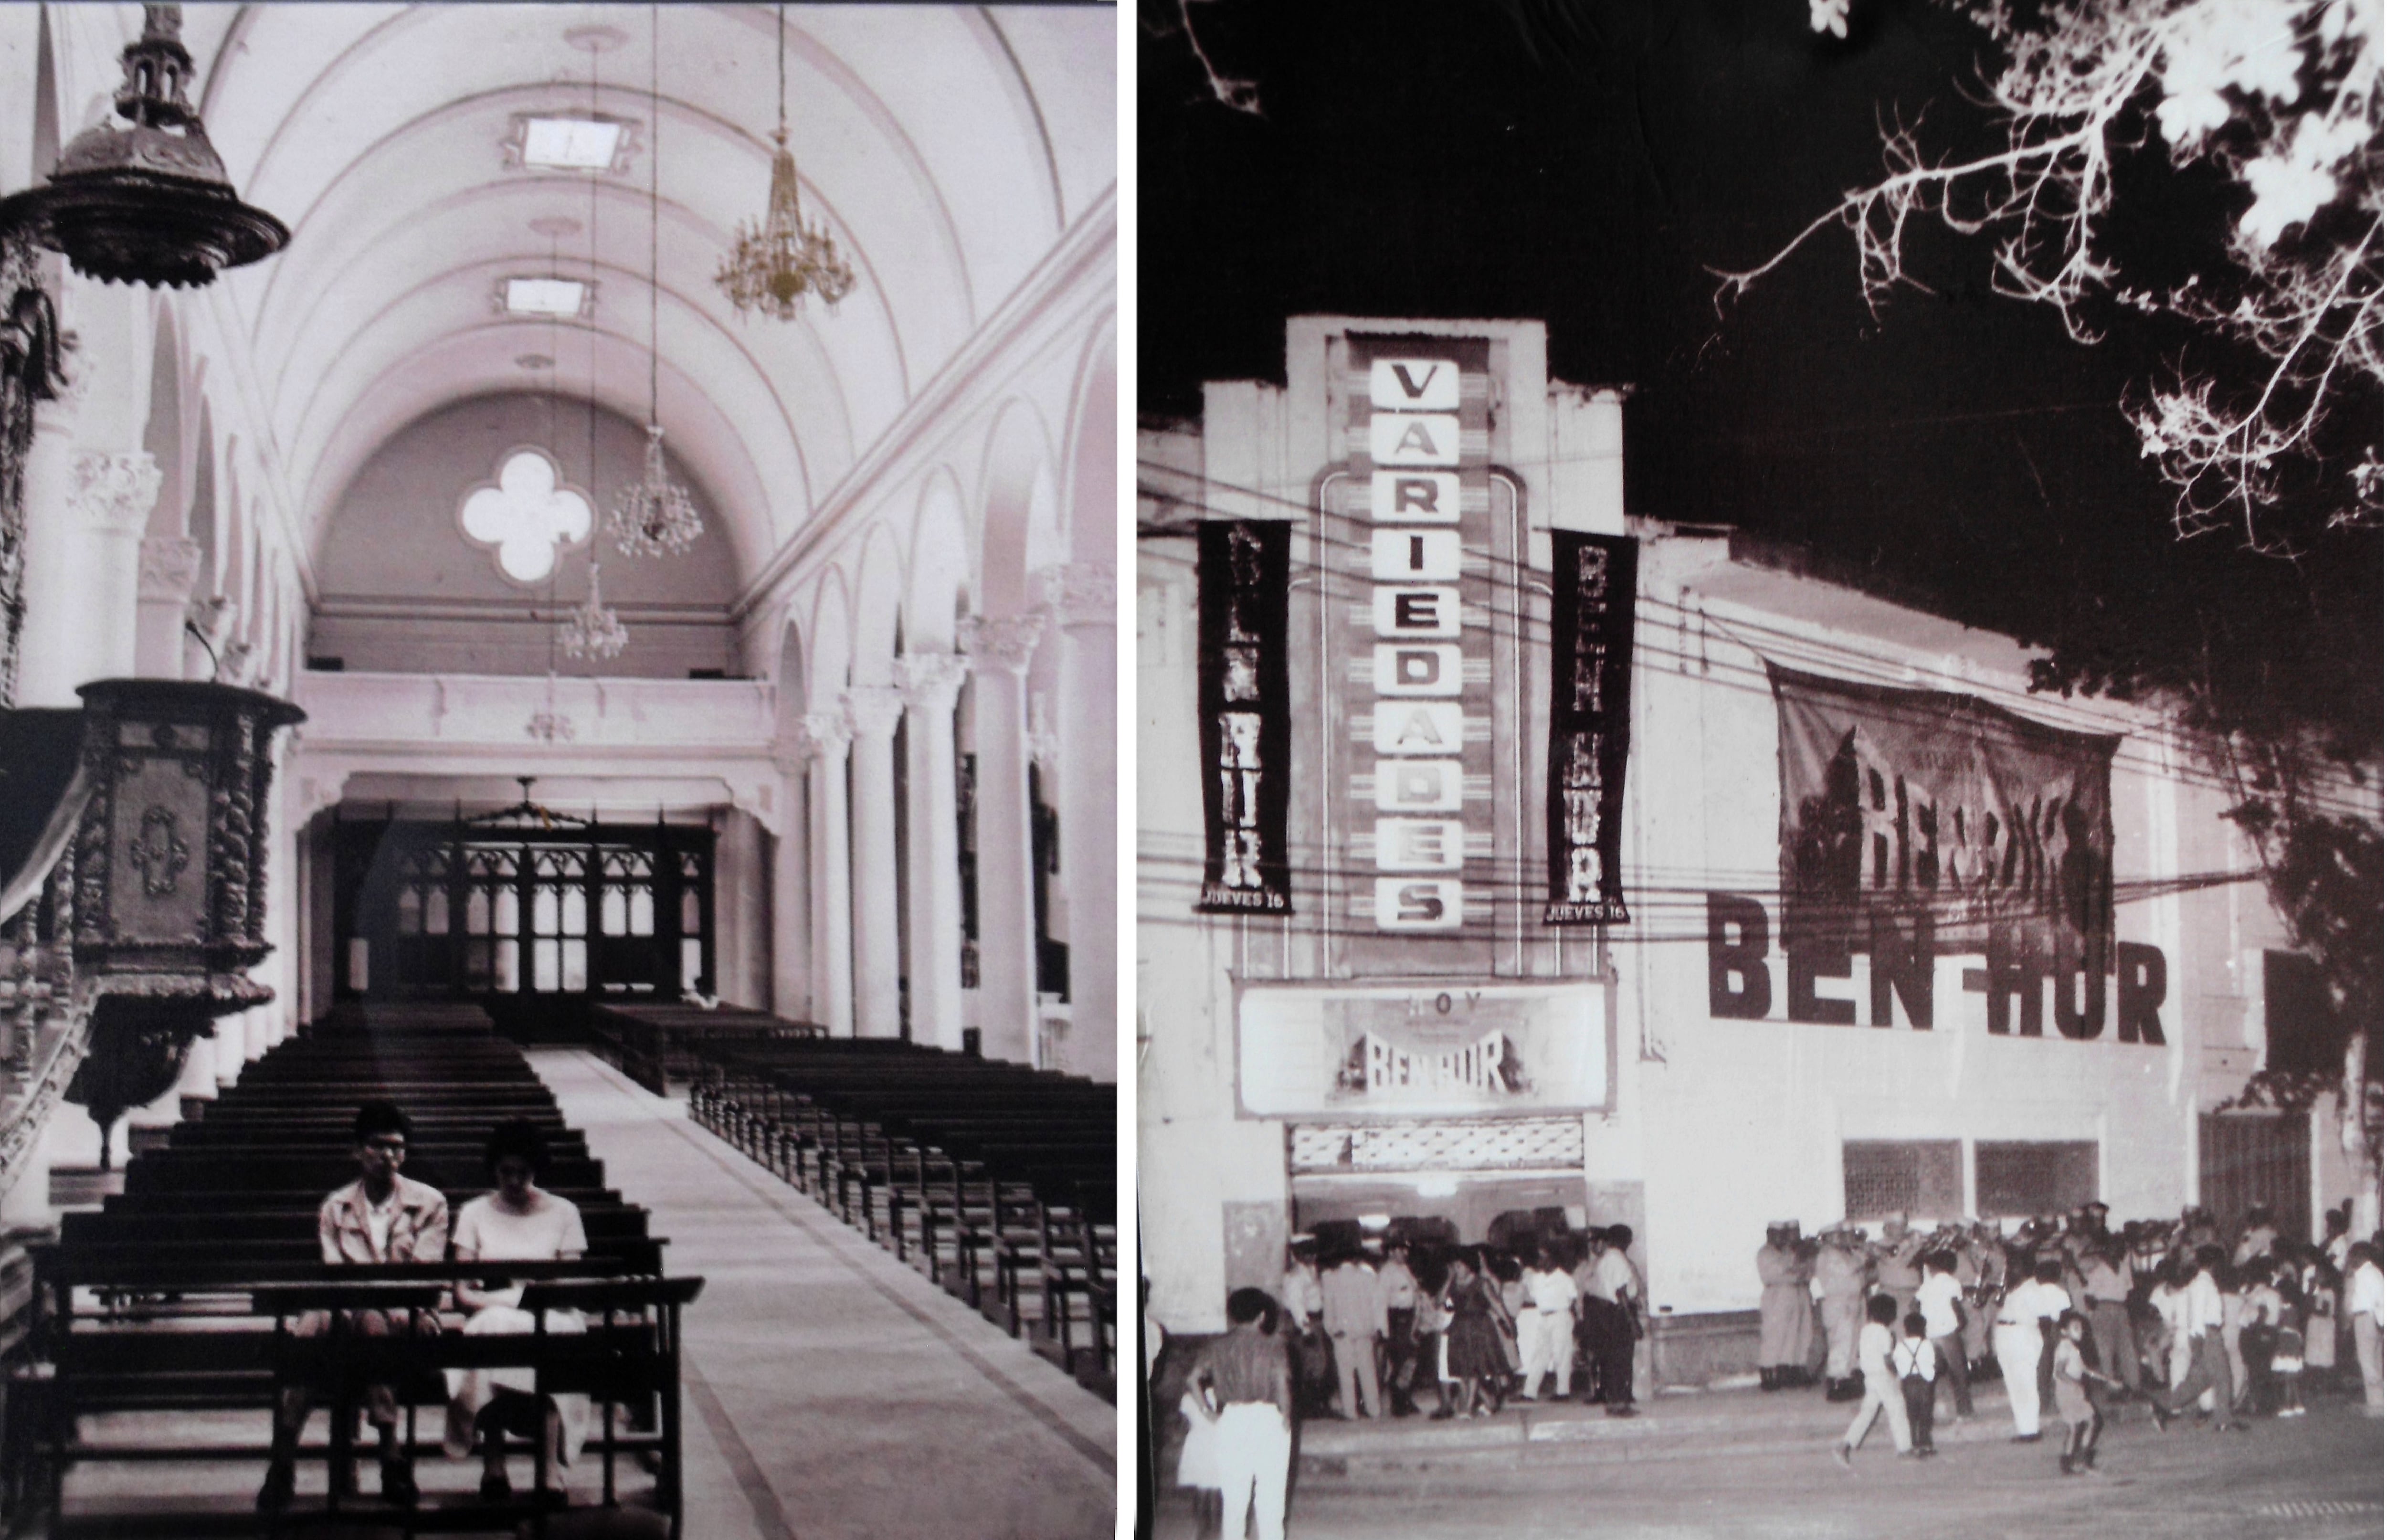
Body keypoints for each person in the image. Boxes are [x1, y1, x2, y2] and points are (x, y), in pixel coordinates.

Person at [260, 1101, 451, 1513]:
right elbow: (335, 1272)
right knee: (310, 1327)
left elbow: (423, 1275)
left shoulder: (430, 1203)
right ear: (358, 1151)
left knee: (369, 1324)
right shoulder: (336, 1207)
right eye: (378, 1146)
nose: (388, 1156)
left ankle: (388, 1453)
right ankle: (285, 1459)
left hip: (410, 1316)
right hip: (345, 1308)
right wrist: (357, 1298)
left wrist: (368, 1297)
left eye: (397, 1148)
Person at [443, 1119, 591, 1504]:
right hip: (493, 1311)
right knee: (490, 1330)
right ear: (494, 1169)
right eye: (506, 1171)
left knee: (553, 1336)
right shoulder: (474, 1213)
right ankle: (494, 1464)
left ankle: (549, 1470)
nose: (513, 1180)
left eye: (523, 1172)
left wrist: (518, 1297)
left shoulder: (564, 1212)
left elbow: (567, 1287)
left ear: (536, 1169)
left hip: (552, 1312)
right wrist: (512, 1298)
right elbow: (462, 1292)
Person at [1186, 1288, 1293, 1540]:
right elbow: (1282, 1386)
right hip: (1268, 1419)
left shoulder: (1217, 1346)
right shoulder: (1274, 1345)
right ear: (1262, 1316)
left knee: (1234, 1501)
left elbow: (1192, 1379)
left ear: (1232, 1316)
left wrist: (1208, 1413)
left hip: (1232, 1420)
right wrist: (1286, 1417)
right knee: (1271, 1500)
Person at [2148, 1246, 2249, 1433]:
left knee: (2200, 1380)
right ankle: (2223, 1420)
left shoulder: (2202, 1283)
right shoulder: (2203, 1284)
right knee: (2223, 1378)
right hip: (2208, 1334)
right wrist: (2198, 1341)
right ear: (2213, 1264)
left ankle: (2163, 1408)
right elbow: (2197, 1314)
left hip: (2206, 1334)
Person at [1830, 1295, 1912, 1467]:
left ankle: (1845, 1446)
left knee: (1867, 1413)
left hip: (1870, 1378)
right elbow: (1888, 1360)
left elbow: (1861, 1354)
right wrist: (1899, 1373)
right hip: (1884, 1377)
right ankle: (1905, 1449)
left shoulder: (1865, 1331)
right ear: (1890, 1316)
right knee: (1897, 1409)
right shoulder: (1885, 1333)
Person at [1993, 1256, 2066, 1442]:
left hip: (2022, 1335)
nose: (2009, 1271)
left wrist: (2042, 1342)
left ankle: (2031, 1430)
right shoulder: (2014, 1289)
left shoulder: (2033, 1290)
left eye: (2013, 1267)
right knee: (2013, 1383)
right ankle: (2024, 1429)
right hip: (2007, 1334)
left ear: (2025, 1270)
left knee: (2025, 1383)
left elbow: (2044, 1319)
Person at [1437, 1250, 1508, 1419]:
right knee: (1461, 1370)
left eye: (1460, 1266)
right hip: (1460, 1327)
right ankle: (1488, 1402)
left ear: (1469, 1266)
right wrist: (1448, 1279)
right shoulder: (1453, 1283)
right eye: (1455, 1266)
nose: (1457, 1269)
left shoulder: (1480, 1283)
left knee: (1475, 1369)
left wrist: (1506, 1322)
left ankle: (1468, 1408)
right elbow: (1439, 1300)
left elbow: (1495, 1303)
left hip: (1479, 1327)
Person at [1320, 1245, 1386, 1420]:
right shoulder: (1369, 1278)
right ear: (1356, 1260)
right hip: (1365, 1331)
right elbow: (1378, 1306)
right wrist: (1378, 1329)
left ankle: (1350, 1412)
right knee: (1368, 1373)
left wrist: (1332, 1330)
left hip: (1343, 1332)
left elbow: (1328, 1308)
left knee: (1346, 1375)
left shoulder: (1329, 1279)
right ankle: (1374, 1409)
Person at [2051, 1310, 2122, 1475]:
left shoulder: (2073, 1349)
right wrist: (2076, 1384)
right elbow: (2059, 1372)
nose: (2080, 1331)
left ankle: (2070, 1462)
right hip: (2068, 1391)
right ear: (2064, 1331)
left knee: (2078, 1425)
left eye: (2081, 1328)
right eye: (2075, 1327)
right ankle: (2079, 1460)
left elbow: (2087, 1371)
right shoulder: (2065, 1347)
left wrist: (2108, 1380)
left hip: (2072, 1390)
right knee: (2089, 1422)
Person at [1582, 1224, 1640, 1416]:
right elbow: (1621, 1291)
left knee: (1613, 1358)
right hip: (1618, 1311)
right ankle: (1618, 1404)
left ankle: (1616, 1402)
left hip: (1607, 1311)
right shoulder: (1616, 1258)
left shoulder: (1607, 1259)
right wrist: (1632, 1321)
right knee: (1620, 1359)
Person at [2079, 1242, 2141, 1402]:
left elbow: (2130, 1291)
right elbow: (2089, 1295)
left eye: (2118, 1250)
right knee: (2105, 1351)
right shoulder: (2099, 1270)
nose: (2115, 1253)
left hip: (2121, 1309)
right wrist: (2094, 1313)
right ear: (2106, 1252)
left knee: (2128, 1349)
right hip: (2104, 1308)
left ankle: (2134, 1387)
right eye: (2112, 1250)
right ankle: (2112, 1390)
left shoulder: (2124, 1267)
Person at [1914, 1249, 1972, 1421]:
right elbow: (1956, 1305)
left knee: (1933, 1372)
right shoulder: (1953, 1283)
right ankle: (1964, 1411)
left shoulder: (1927, 1285)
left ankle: (1931, 1410)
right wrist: (1962, 1322)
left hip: (1931, 1333)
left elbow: (1915, 1305)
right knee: (1959, 1373)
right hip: (1948, 1333)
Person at [1756, 1223, 1815, 1392]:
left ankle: (1790, 1371)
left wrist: (1797, 1269)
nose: (1780, 1238)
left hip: (1796, 1293)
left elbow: (1805, 1270)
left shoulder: (1787, 1252)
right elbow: (1776, 1274)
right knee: (1775, 1335)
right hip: (1777, 1295)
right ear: (1768, 1234)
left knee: (1796, 1334)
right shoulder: (1765, 1253)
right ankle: (1769, 1374)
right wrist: (1796, 1271)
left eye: (1783, 1234)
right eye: (1776, 1234)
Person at [1814, 1224, 1869, 1401]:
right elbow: (1850, 1269)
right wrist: (1863, 1254)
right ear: (1828, 1238)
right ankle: (1837, 1384)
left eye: (1843, 1235)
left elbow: (1862, 1274)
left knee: (1853, 1344)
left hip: (1853, 1302)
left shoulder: (1847, 1253)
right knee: (1841, 1344)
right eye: (1838, 1235)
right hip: (1839, 1304)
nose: (1843, 1238)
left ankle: (1849, 1381)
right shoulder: (1827, 1255)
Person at [1517, 1243, 1578, 1401]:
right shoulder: (1537, 1279)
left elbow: (1573, 1299)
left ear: (1553, 1259)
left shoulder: (1565, 1278)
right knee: (1540, 1355)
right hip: (1544, 1317)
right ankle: (1529, 1393)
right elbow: (1532, 1297)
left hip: (1561, 1316)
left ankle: (1563, 1392)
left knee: (1561, 1355)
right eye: (1539, 1258)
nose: (1540, 1261)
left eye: (1543, 1257)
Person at [1278, 1242, 1328, 1416]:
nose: (1312, 1257)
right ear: (1297, 1254)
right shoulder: (1296, 1277)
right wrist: (1305, 1329)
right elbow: (1296, 1304)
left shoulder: (1311, 1271)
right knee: (1311, 1364)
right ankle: (1309, 1408)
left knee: (1317, 1364)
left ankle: (1315, 1406)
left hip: (1314, 1320)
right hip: (1303, 1323)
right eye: (1307, 1253)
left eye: (1313, 1253)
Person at [1378, 1240, 1422, 1416]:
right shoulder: (1386, 1273)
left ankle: (1406, 1398)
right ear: (1390, 1252)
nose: (1405, 1253)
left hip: (1410, 1317)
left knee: (1411, 1361)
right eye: (1400, 1250)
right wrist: (1384, 1330)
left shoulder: (1405, 1269)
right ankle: (1398, 1403)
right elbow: (1381, 1302)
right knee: (1400, 1362)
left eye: (1405, 1250)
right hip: (1396, 1319)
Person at [1891, 1311, 1937, 1457]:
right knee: (1925, 1413)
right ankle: (1926, 1443)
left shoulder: (1901, 1345)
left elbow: (1896, 1361)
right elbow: (1932, 1362)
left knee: (1911, 1414)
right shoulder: (1927, 1344)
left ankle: (1913, 1443)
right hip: (1925, 1382)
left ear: (1906, 1328)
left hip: (1908, 1381)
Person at [2346, 1241, 2384, 1416]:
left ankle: (2377, 1396)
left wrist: (2380, 1320)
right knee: (2375, 1358)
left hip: (2366, 1317)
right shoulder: (2372, 1273)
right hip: (2371, 1318)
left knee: (2366, 1359)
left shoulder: (2367, 1274)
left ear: (2360, 1256)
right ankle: (2377, 1401)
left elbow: (2379, 1299)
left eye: (2352, 1256)